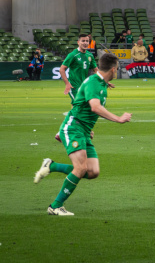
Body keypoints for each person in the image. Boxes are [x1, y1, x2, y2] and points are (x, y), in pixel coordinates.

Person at [33, 53, 132, 216]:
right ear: (113, 69)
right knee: (80, 168)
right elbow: (95, 107)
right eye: (117, 69)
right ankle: (55, 206)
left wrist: (88, 128)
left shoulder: (100, 83)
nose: (117, 72)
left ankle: (51, 166)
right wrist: (119, 119)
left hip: (83, 130)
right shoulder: (94, 82)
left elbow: (84, 106)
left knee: (92, 172)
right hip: (74, 128)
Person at [60, 34, 98, 105]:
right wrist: (67, 84)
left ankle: (72, 116)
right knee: (79, 105)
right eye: (83, 41)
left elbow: (96, 70)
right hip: (74, 86)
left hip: (84, 86)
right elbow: (62, 69)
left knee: (78, 106)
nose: (85, 43)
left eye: (87, 41)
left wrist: (104, 80)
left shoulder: (90, 55)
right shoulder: (73, 55)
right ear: (78, 42)